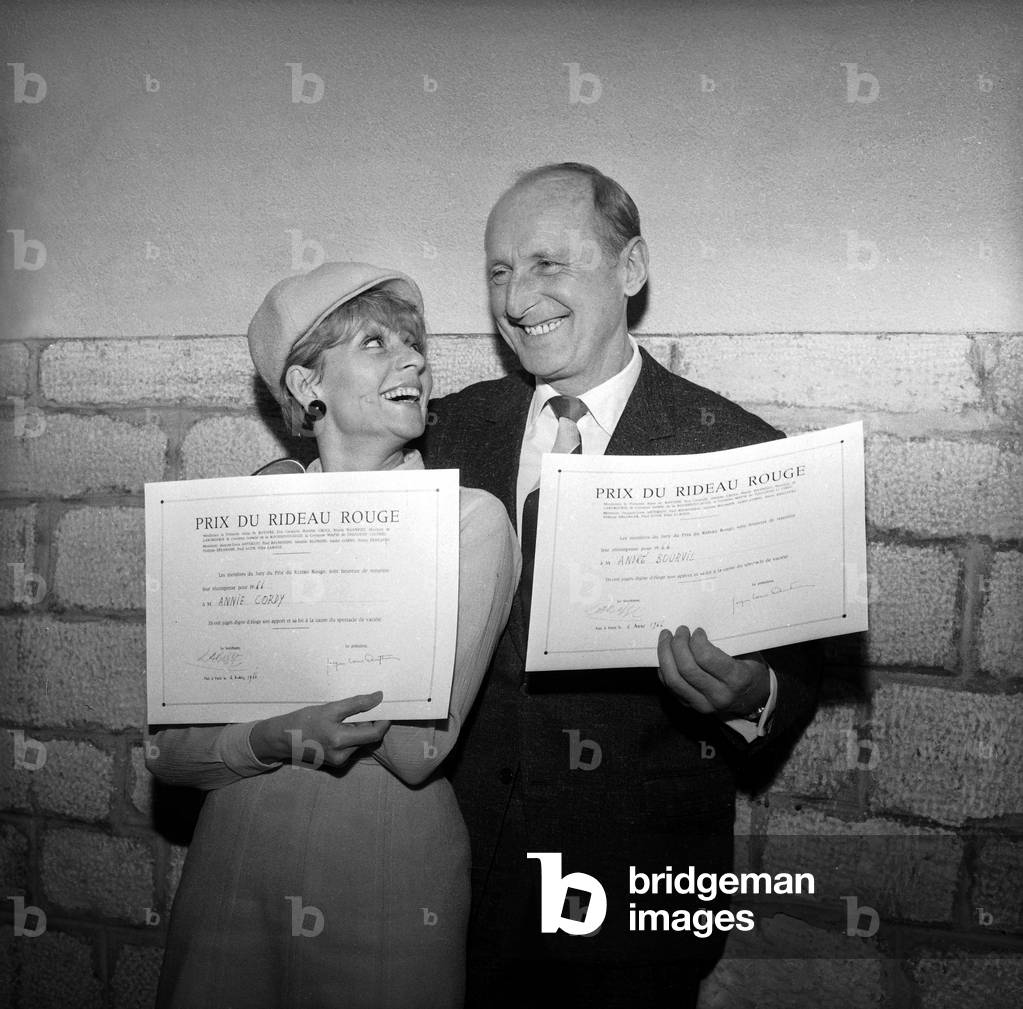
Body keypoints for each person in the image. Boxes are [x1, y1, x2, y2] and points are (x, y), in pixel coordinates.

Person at [422, 164, 821, 1007]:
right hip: (452, 880)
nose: (516, 297)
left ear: (630, 268)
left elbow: (797, 678)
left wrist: (750, 693)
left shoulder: (734, 447)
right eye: (498, 271)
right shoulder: (449, 429)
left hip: (635, 898)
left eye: (547, 264)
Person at [147, 262, 520, 1009]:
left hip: (387, 881)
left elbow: (419, 748)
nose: (413, 358)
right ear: (306, 386)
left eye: (414, 343)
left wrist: (276, 657)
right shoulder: (235, 520)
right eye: (376, 342)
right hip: (231, 869)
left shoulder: (468, 521)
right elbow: (172, 755)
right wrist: (277, 734)